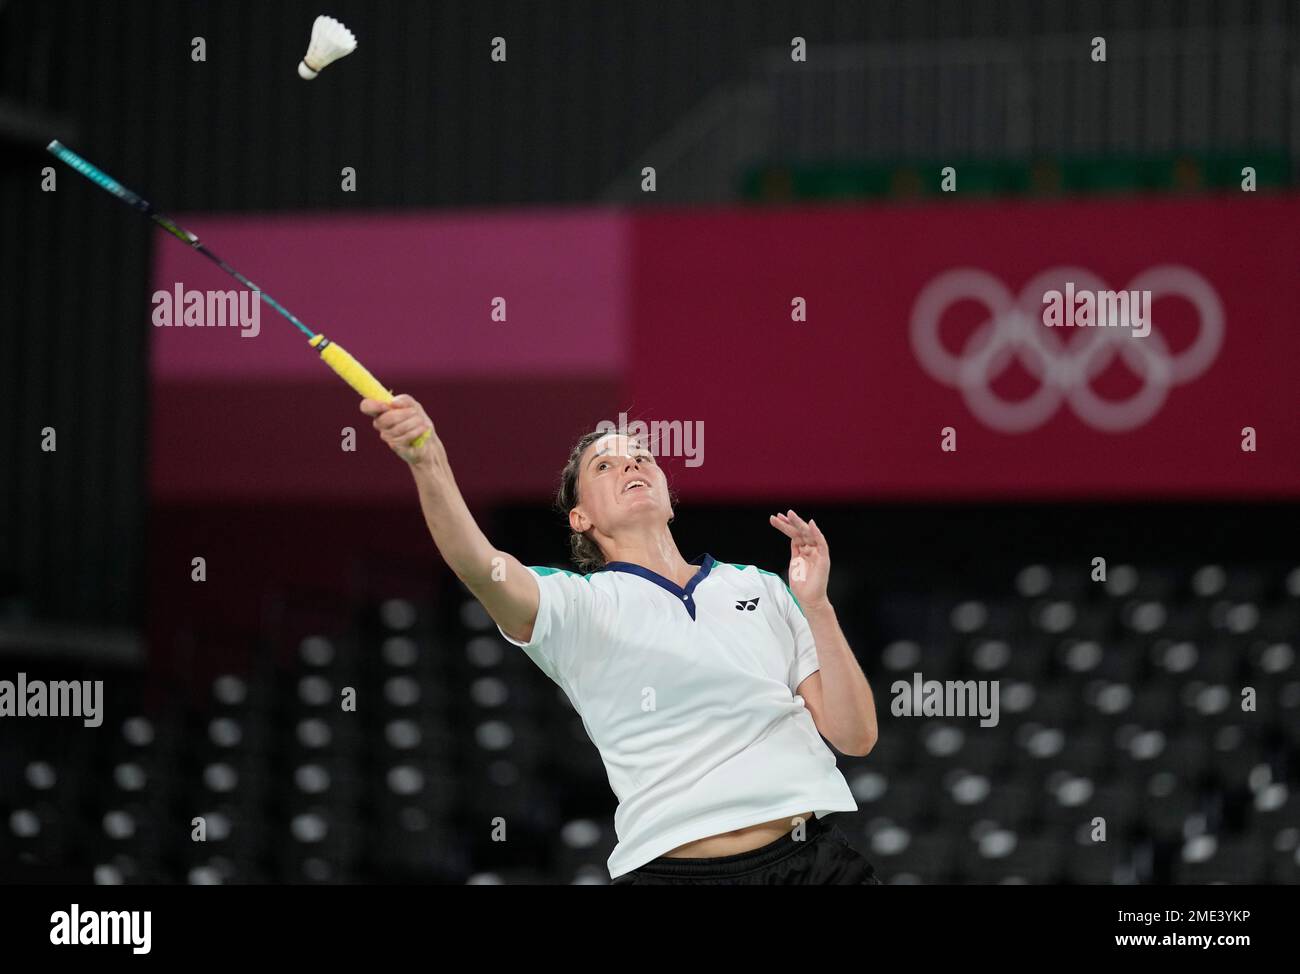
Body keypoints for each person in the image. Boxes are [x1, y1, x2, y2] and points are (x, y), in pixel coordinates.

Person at [362, 394, 882, 884]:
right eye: (604, 466)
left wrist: (817, 606)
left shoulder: (762, 586)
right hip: (674, 873)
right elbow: (479, 566)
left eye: (640, 457)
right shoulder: (577, 607)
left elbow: (854, 736)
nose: (630, 465)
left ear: (669, 500)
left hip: (813, 862)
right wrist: (428, 462)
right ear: (580, 517)